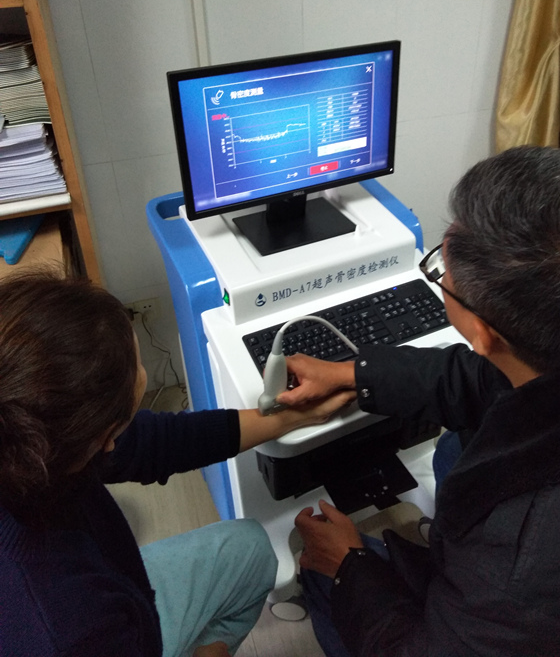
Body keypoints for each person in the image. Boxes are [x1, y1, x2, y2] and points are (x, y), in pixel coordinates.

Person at [279, 145, 560, 656]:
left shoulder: (524, 572)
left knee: (323, 575)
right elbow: (482, 379)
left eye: (440, 268)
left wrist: (347, 565)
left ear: (482, 331)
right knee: (455, 448)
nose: (443, 271)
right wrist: (352, 372)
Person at [0, 271, 354, 657]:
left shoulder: (32, 442)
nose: (142, 373)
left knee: (250, 549)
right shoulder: (69, 624)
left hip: (117, 588)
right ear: (102, 440)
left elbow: (157, 442)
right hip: (114, 630)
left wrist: (292, 418)